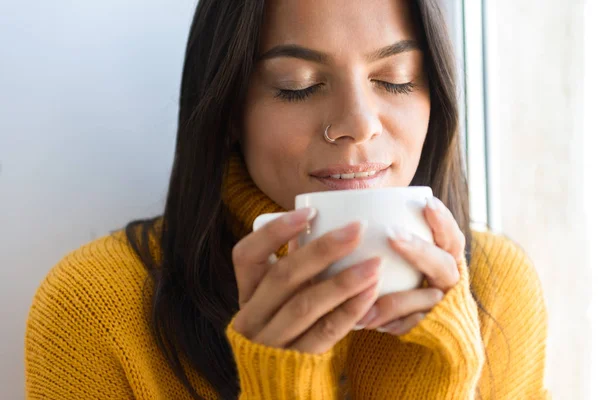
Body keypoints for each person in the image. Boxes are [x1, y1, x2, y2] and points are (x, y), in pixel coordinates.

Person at [24, 0, 550, 399]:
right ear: (229, 110)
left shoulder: (499, 290)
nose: (358, 126)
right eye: (297, 86)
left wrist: (443, 378)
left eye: (396, 80)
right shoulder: (97, 308)